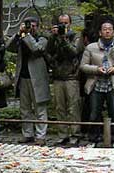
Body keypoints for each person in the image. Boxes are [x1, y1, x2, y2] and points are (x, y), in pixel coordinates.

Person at [79, 19, 114, 148]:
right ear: (100, 32)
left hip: (113, 83)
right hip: (96, 83)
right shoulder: (91, 47)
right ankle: (93, 139)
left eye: (110, 29)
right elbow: (83, 66)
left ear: (113, 31)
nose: (107, 31)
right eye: (104, 29)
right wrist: (96, 69)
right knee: (94, 113)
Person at [7, 16, 50, 144]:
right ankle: (27, 134)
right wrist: (18, 34)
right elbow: (9, 47)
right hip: (23, 77)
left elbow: (36, 49)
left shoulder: (43, 39)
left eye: (33, 26)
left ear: (37, 26)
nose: (30, 28)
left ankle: (41, 136)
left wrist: (26, 36)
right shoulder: (22, 37)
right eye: (28, 25)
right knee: (24, 108)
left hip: (37, 78)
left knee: (40, 108)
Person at [46, 13, 83, 145]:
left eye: (66, 23)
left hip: (71, 76)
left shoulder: (75, 36)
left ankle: (75, 133)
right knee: (59, 107)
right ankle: (62, 134)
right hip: (57, 76)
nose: (63, 25)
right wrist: (54, 37)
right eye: (61, 23)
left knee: (73, 107)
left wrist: (64, 39)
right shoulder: (53, 37)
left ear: (70, 23)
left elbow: (74, 52)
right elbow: (48, 52)